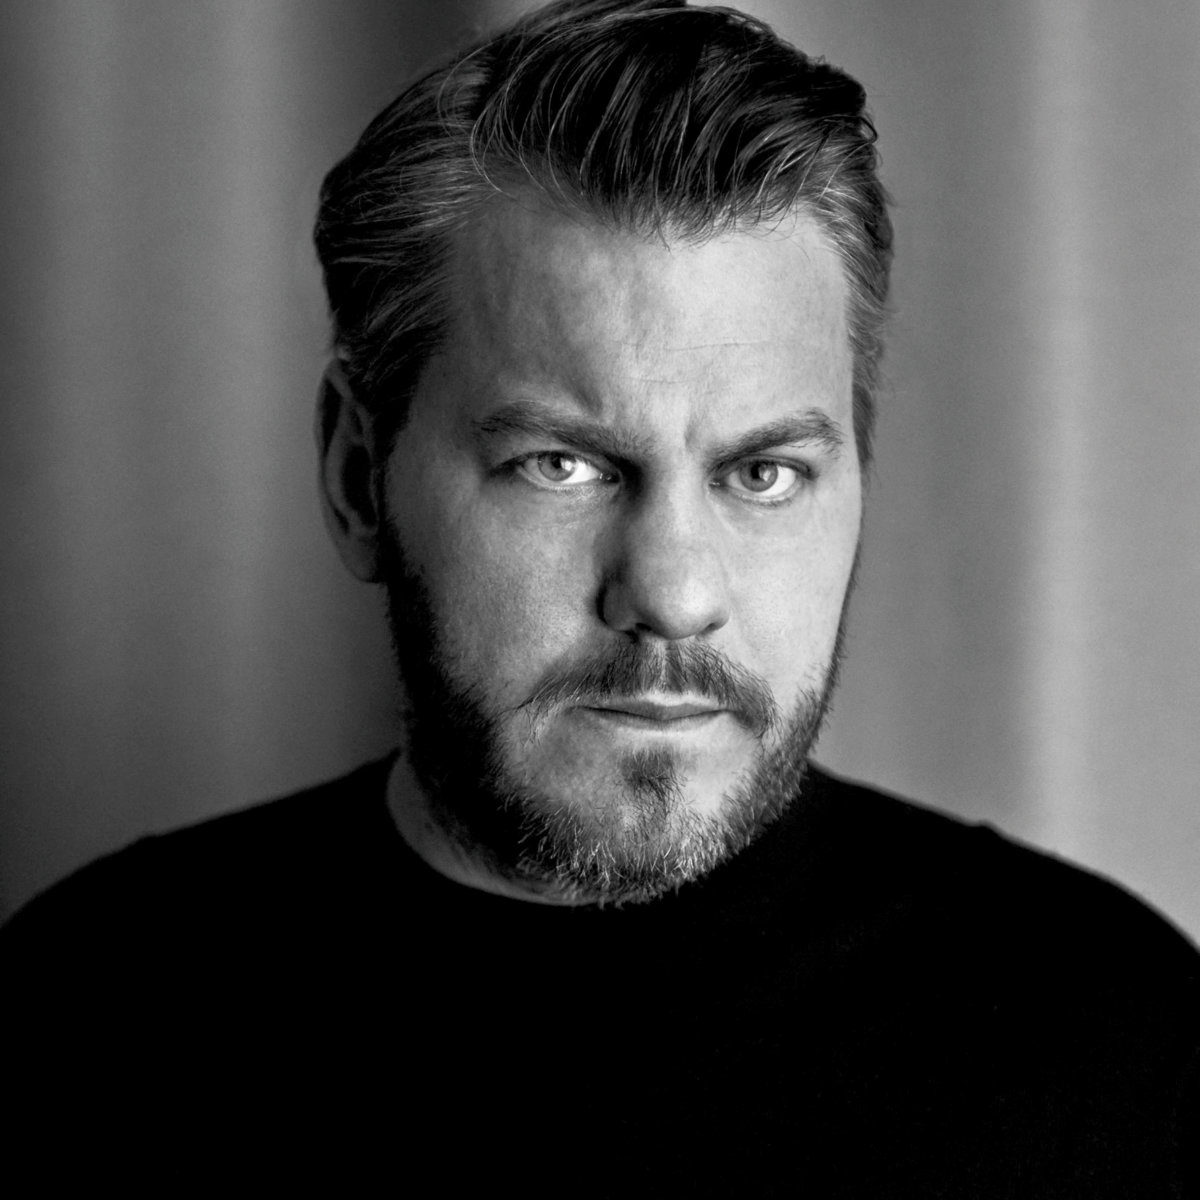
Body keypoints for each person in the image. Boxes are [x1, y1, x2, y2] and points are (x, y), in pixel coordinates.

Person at [4, 1, 1197, 1193]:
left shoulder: (1118, 1041)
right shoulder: (84, 1012)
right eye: (562, 466)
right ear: (358, 473)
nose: (672, 594)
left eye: (763, 474)